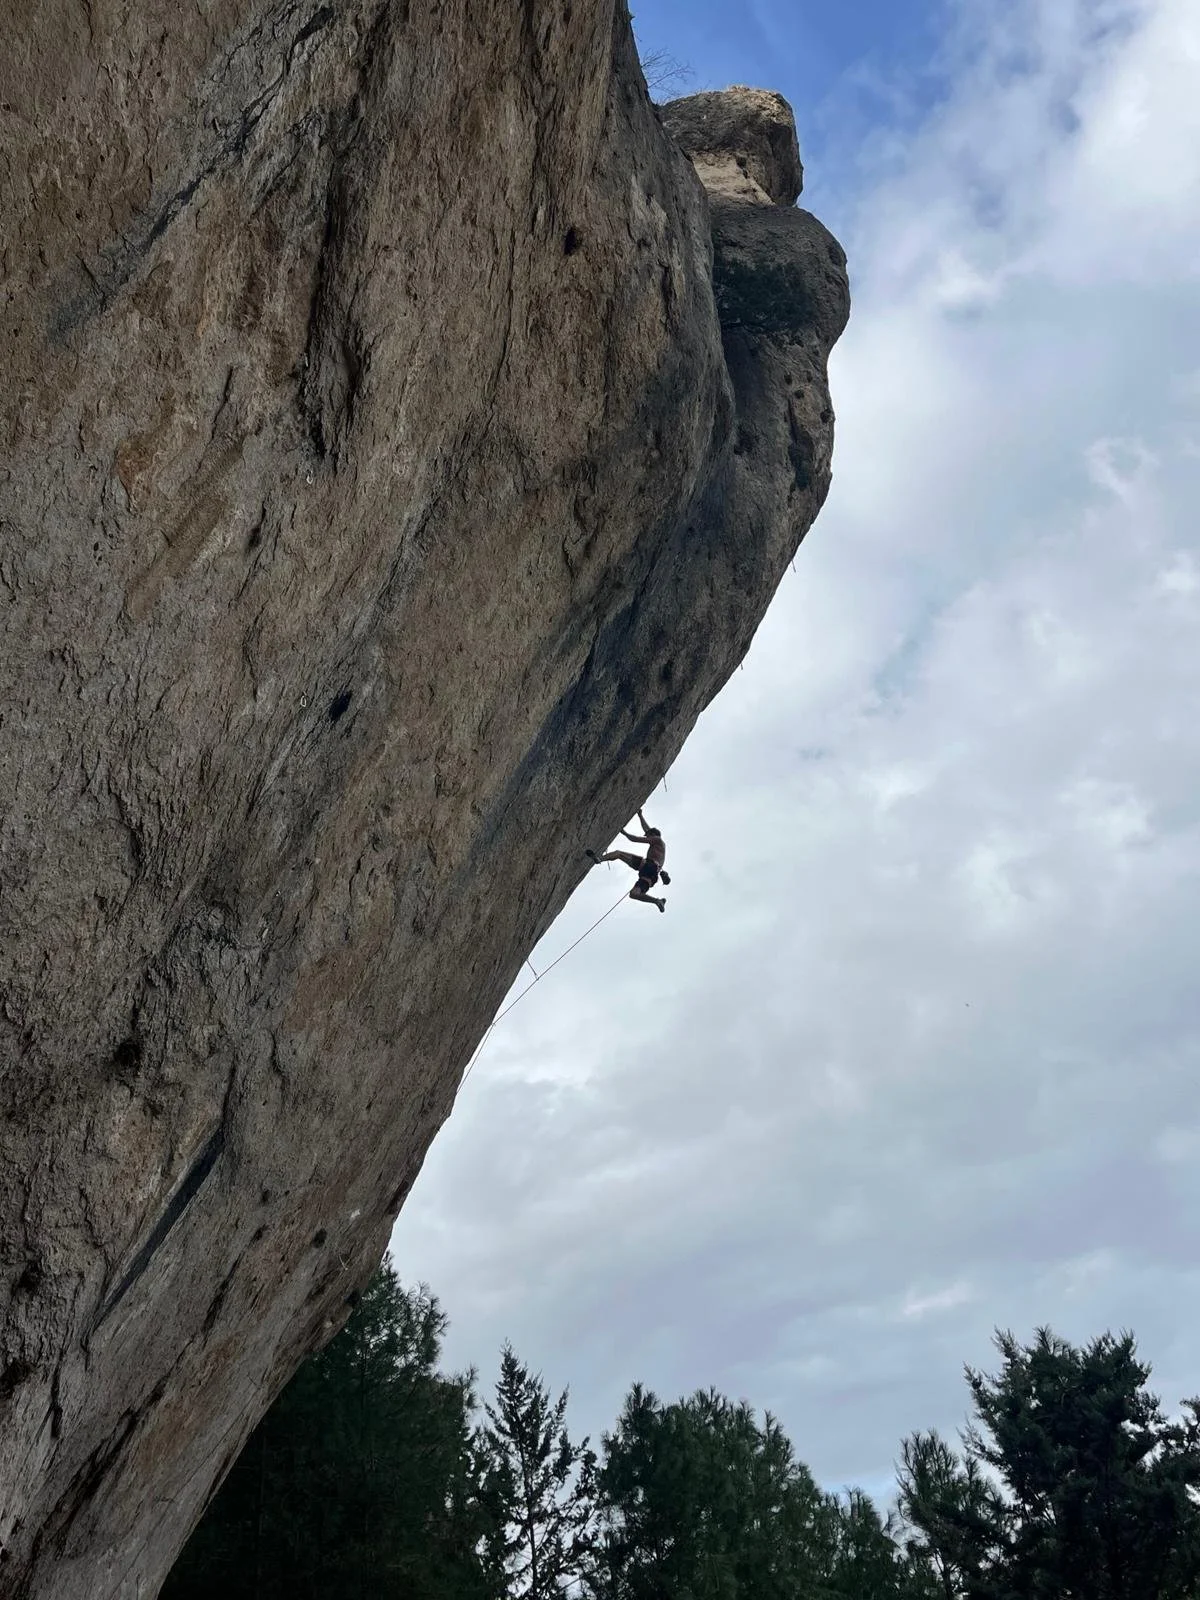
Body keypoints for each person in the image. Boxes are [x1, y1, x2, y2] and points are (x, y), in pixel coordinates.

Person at [587, 808, 671, 912]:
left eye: (648, 836)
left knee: (619, 853)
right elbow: (647, 830)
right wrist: (640, 816)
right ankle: (657, 901)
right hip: (651, 875)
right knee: (634, 894)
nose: (646, 836)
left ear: (653, 835)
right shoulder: (658, 844)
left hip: (649, 866)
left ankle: (600, 859)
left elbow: (635, 839)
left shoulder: (657, 839)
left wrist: (623, 832)